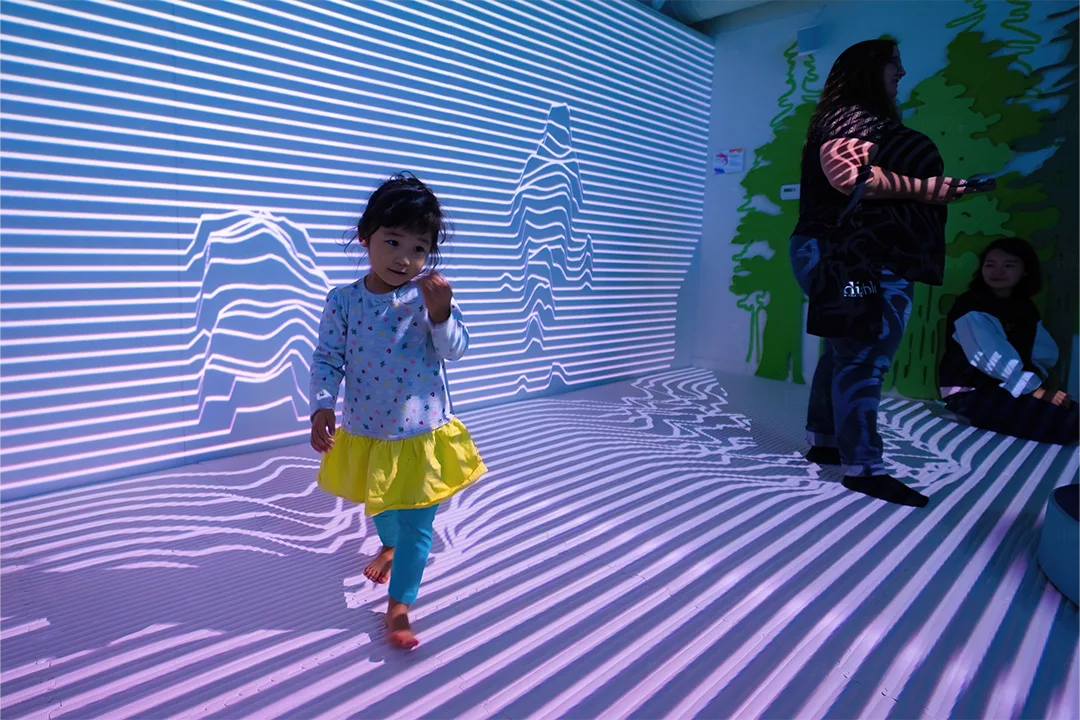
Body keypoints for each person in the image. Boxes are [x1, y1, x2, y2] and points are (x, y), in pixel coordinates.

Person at [788, 39, 981, 508]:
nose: (903, 73)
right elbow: (850, 176)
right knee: (863, 357)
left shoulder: (846, 117)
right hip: (853, 253)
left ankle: (827, 441)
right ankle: (864, 469)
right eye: (896, 64)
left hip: (836, 250)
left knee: (843, 353)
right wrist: (930, 189)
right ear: (870, 69)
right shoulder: (854, 115)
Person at [309, 172, 487, 649]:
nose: (404, 258)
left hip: (421, 432)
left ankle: (400, 604)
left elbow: (456, 351)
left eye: (419, 248)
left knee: (418, 522)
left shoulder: (427, 297)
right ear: (366, 237)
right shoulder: (344, 301)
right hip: (367, 429)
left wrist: (444, 313)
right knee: (380, 501)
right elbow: (328, 357)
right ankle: (389, 545)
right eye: (392, 241)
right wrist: (322, 406)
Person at [940, 238, 1080, 444]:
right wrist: (1037, 391)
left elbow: (1043, 352)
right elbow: (992, 359)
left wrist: (1041, 386)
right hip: (970, 393)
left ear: (1025, 271)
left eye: (1009, 265)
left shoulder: (1025, 307)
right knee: (1063, 425)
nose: (997, 271)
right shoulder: (971, 306)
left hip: (1011, 389)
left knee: (1072, 413)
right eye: (990, 265)